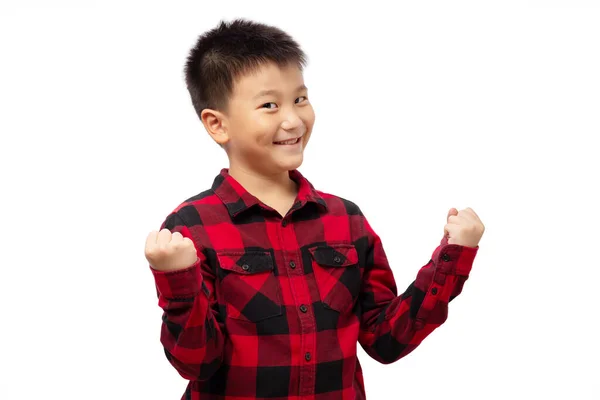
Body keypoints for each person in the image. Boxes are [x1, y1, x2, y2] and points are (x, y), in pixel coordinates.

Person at [144, 18, 485, 400]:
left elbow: (386, 341)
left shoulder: (347, 220)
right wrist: (177, 279)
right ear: (217, 124)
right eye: (269, 105)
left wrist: (453, 259)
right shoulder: (191, 228)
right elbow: (197, 363)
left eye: (300, 99)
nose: (293, 119)